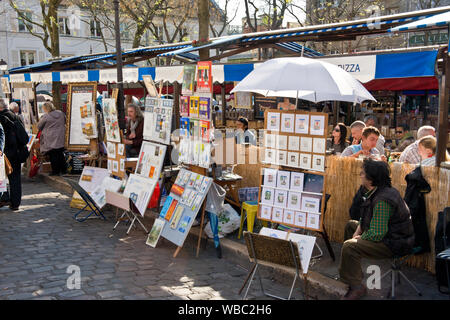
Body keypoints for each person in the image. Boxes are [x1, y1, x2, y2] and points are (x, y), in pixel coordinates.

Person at [339, 159, 414, 300]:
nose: (360, 174)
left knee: (350, 246)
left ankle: (357, 287)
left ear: (371, 178)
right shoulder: (378, 191)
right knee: (351, 226)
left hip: (395, 243)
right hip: (389, 235)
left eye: (363, 173)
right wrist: (358, 230)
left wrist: (360, 238)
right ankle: (352, 275)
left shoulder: (383, 200)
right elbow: (367, 215)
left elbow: (377, 233)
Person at [0, 99, 28, 211]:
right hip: (16, 152)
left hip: (4, 153)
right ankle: (15, 203)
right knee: (15, 178)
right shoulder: (16, 116)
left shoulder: (1, 118)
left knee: (2, 177)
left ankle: (4, 198)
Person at [37, 101, 66, 176]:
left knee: (53, 155)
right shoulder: (60, 113)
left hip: (50, 138)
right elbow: (65, 121)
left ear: (46, 109)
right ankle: (63, 170)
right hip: (60, 136)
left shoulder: (46, 116)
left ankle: (55, 171)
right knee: (60, 153)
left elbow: (39, 126)